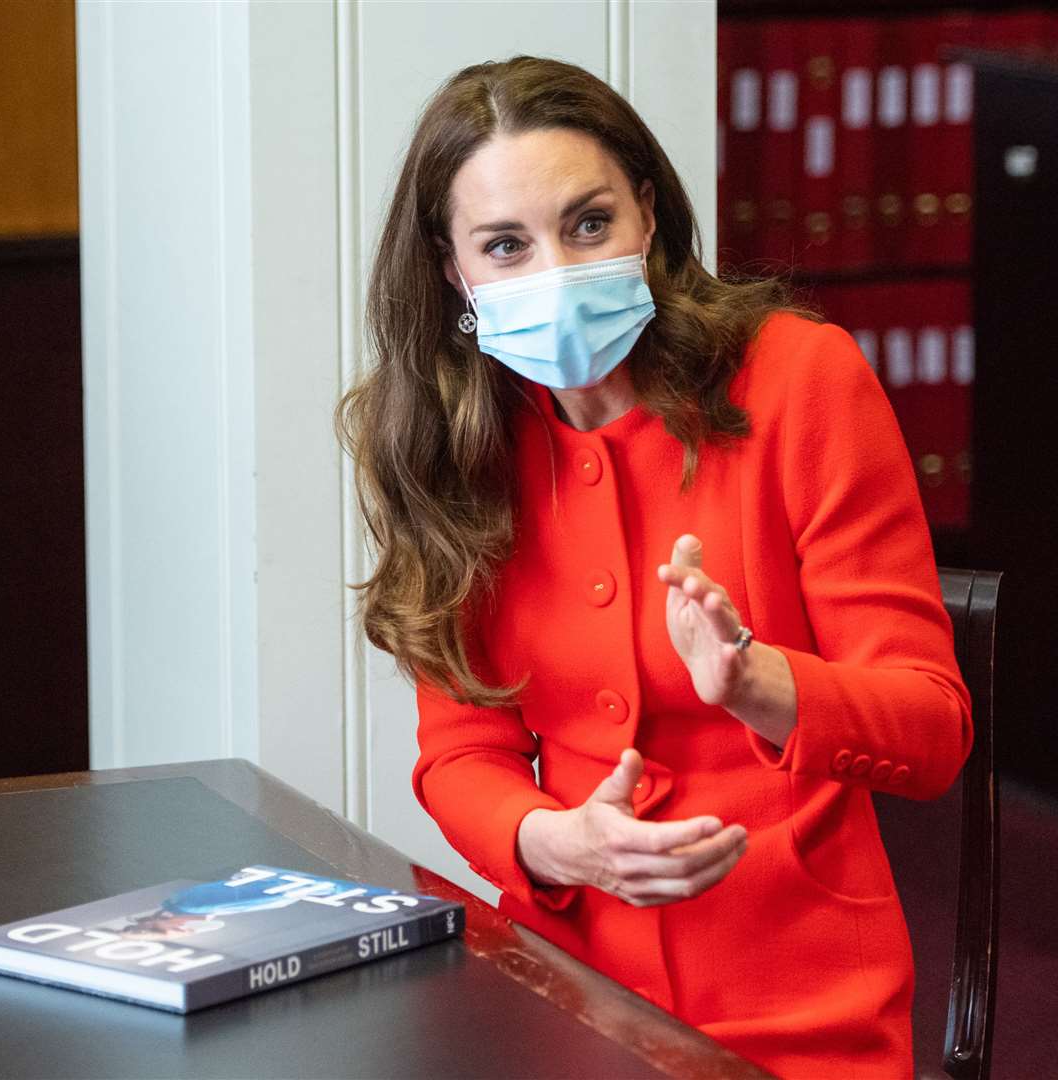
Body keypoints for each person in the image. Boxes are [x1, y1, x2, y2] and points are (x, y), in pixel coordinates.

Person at [336, 55, 971, 1079]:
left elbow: (934, 732)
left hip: (799, 1001)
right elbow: (462, 755)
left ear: (647, 213)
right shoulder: (446, 441)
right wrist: (551, 843)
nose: (555, 271)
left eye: (588, 225)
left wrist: (762, 685)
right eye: (506, 245)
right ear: (453, 271)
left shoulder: (804, 379)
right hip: (560, 989)